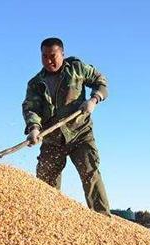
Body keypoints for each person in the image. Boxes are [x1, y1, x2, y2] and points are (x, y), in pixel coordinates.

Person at [22, 37, 110, 215]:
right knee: (45, 183)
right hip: (52, 139)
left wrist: (94, 99)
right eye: (44, 56)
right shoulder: (35, 83)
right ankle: (48, 220)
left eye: (53, 56)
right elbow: (31, 108)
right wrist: (34, 128)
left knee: (90, 174)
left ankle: (103, 221)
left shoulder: (77, 68)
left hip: (80, 134)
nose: (48, 61)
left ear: (62, 54)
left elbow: (101, 82)